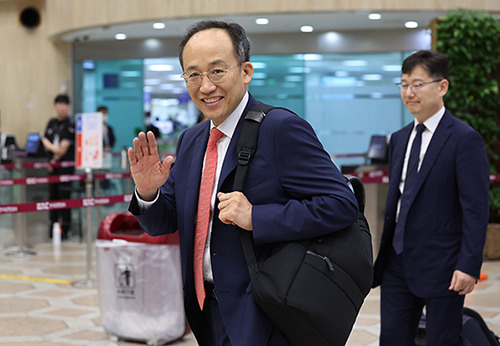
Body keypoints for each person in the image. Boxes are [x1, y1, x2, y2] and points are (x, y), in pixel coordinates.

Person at [127, 20, 359, 345]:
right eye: (193, 74)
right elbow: (163, 222)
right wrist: (148, 191)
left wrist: (256, 218)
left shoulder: (280, 128)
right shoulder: (191, 140)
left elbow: (341, 204)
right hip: (207, 310)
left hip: (264, 312)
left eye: (217, 71)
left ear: (246, 71)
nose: (205, 86)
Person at [372, 50, 490, 345]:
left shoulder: (464, 139)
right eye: (403, 84)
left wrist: (469, 265)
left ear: (442, 87)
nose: (409, 93)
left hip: (444, 266)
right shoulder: (399, 139)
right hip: (397, 263)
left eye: (417, 84)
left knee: (442, 340)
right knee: (392, 339)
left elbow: (475, 208)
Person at [42, 94, 76, 239]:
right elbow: (43, 139)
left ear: (68, 107)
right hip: (52, 169)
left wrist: (51, 149)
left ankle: (65, 229)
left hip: (65, 170)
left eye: (64, 104)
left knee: (64, 198)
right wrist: (51, 149)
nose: (61, 107)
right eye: (59, 104)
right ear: (55, 106)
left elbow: (62, 149)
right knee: (52, 198)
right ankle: (53, 227)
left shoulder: (71, 124)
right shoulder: (52, 122)